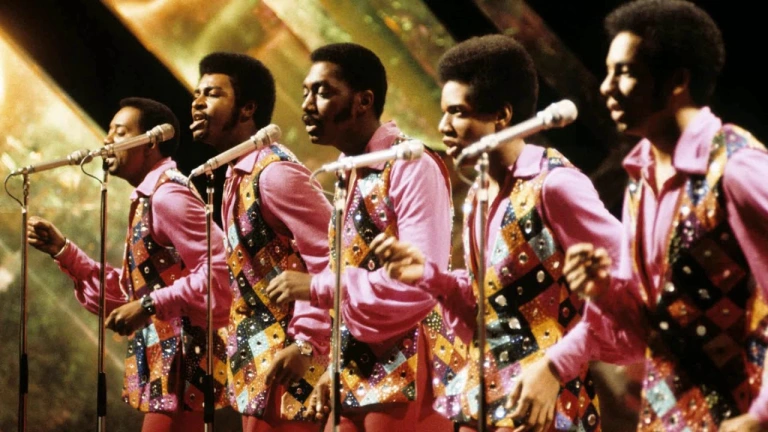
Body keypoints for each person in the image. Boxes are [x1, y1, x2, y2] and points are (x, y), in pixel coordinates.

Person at [369, 34, 625, 431]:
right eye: (444, 113)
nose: (444, 126)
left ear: (501, 116)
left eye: (457, 113)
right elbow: (487, 309)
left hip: (545, 408)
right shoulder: (478, 195)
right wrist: (431, 277)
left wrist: (558, 366)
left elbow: (627, 289)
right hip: (484, 400)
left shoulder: (554, 185)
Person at [562, 1, 768, 431]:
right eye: (608, 72)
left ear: (678, 80)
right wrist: (603, 290)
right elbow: (648, 330)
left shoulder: (737, 168)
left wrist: (761, 415)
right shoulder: (640, 180)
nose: (607, 87)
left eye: (624, 72)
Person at [264, 42, 455, 431]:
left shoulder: (410, 164)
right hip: (358, 369)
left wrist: (319, 286)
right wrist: (335, 366)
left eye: (323, 92)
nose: (307, 105)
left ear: (364, 101)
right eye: (305, 92)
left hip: (409, 364)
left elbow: (421, 280)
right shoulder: (350, 172)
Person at [27, 97, 232, 431]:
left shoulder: (168, 197)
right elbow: (129, 294)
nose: (107, 141)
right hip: (171, 364)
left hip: (186, 363)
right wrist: (64, 252)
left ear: (150, 142)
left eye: (120, 132)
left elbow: (221, 270)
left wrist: (150, 304)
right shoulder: (151, 197)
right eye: (109, 131)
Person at [191, 52, 333, 431]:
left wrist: (306, 342)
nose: (197, 102)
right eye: (196, 93)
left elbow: (330, 258)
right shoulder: (236, 177)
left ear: (247, 109)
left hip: (294, 367)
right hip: (259, 364)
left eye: (212, 93)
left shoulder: (276, 175)